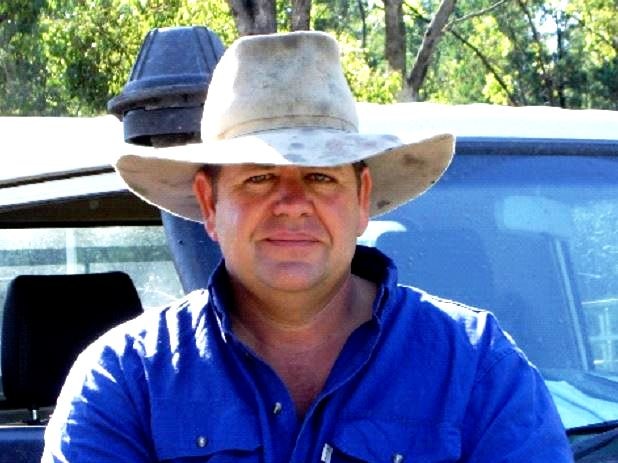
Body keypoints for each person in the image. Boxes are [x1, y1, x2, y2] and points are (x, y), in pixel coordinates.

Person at [43, 31, 573, 462]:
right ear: (209, 203)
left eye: (320, 177)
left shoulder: (477, 368)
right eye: (259, 178)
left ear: (362, 198)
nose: (292, 203)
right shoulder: (125, 379)